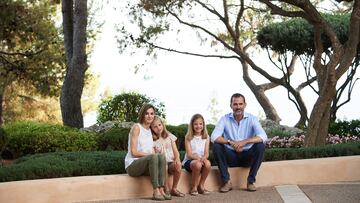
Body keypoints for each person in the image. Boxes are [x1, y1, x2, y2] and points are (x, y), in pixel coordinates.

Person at [211, 93, 268, 192]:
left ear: (245, 105)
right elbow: (214, 137)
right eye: (235, 104)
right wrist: (230, 142)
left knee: (260, 145)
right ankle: (226, 182)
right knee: (217, 146)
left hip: (247, 156)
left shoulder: (252, 119)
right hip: (231, 156)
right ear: (231, 106)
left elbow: (263, 136)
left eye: (240, 104)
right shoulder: (224, 119)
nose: (238, 107)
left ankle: (250, 181)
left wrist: (245, 142)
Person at [124, 104, 171, 201]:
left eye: (152, 114)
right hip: (133, 165)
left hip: (145, 164)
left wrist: (156, 153)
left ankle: (162, 189)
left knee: (161, 156)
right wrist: (152, 155)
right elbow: (134, 152)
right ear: (142, 115)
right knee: (153, 157)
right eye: (146, 113)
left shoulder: (150, 130)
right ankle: (155, 190)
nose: (149, 116)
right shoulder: (137, 128)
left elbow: (161, 135)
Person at [151, 116, 185, 197]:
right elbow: (154, 155)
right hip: (162, 165)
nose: (158, 128)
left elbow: (176, 152)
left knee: (178, 165)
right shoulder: (152, 140)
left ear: (163, 125)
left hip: (171, 163)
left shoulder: (169, 136)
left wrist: (177, 159)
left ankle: (174, 188)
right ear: (151, 129)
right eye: (155, 127)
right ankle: (166, 189)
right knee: (164, 165)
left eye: (159, 125)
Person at [182, 114, 211, 196]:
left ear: (203, 124)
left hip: (201, 160)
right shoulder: (188, 137)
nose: (198, 126)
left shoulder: (206, 137)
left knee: (208, 163)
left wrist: (203, 158)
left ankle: (201, 185)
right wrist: (198, 158)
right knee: (198, 164)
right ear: (192, 125)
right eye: (196, 124)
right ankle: (193, 187)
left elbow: (206, 153)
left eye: (200, 124)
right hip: (190, 161)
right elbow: (189, 154)